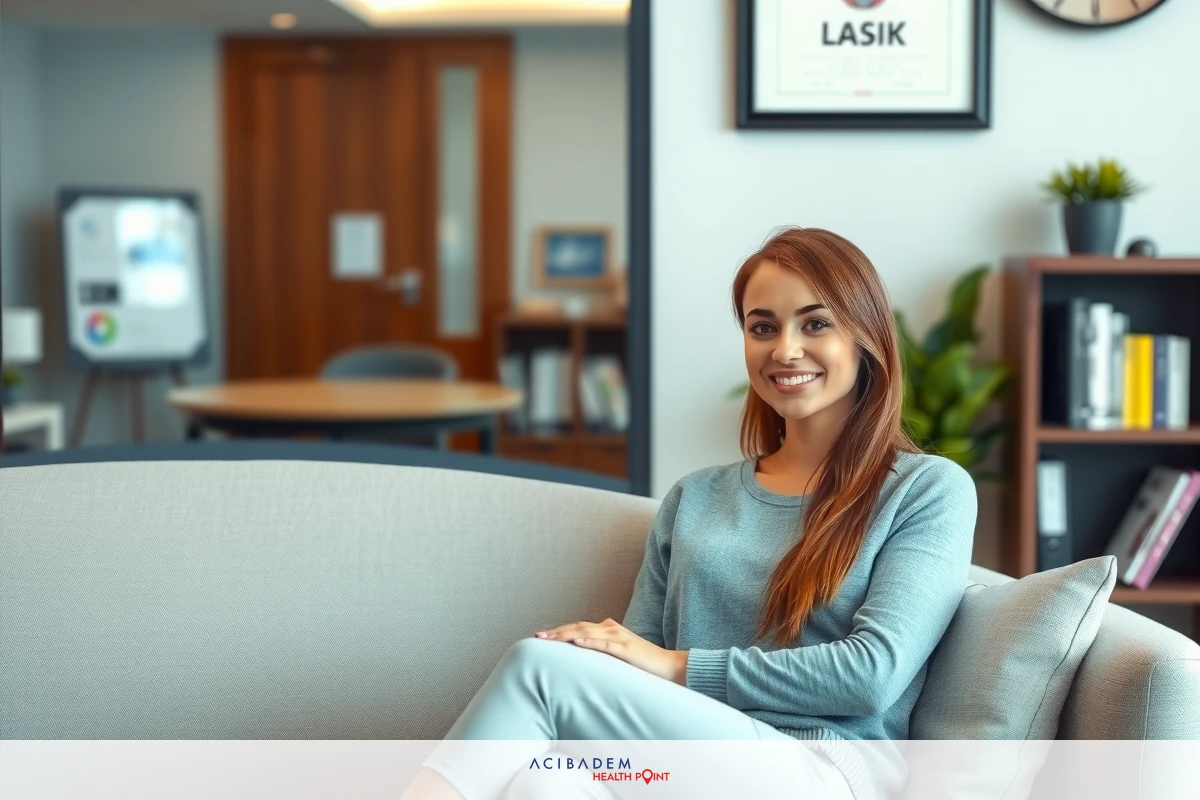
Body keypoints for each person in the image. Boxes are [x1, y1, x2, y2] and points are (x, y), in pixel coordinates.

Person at [399, 227, 977, 800]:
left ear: (865, 336)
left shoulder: (927, 490)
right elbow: (630, 665)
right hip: (680, 769)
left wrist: (675, 666)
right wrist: (623, 664)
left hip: (823, 772)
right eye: (762, 327)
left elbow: (871, 676)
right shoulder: (694, 497)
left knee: (537, 668)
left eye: (815, 323)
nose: (785, 349)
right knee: (543, 783)